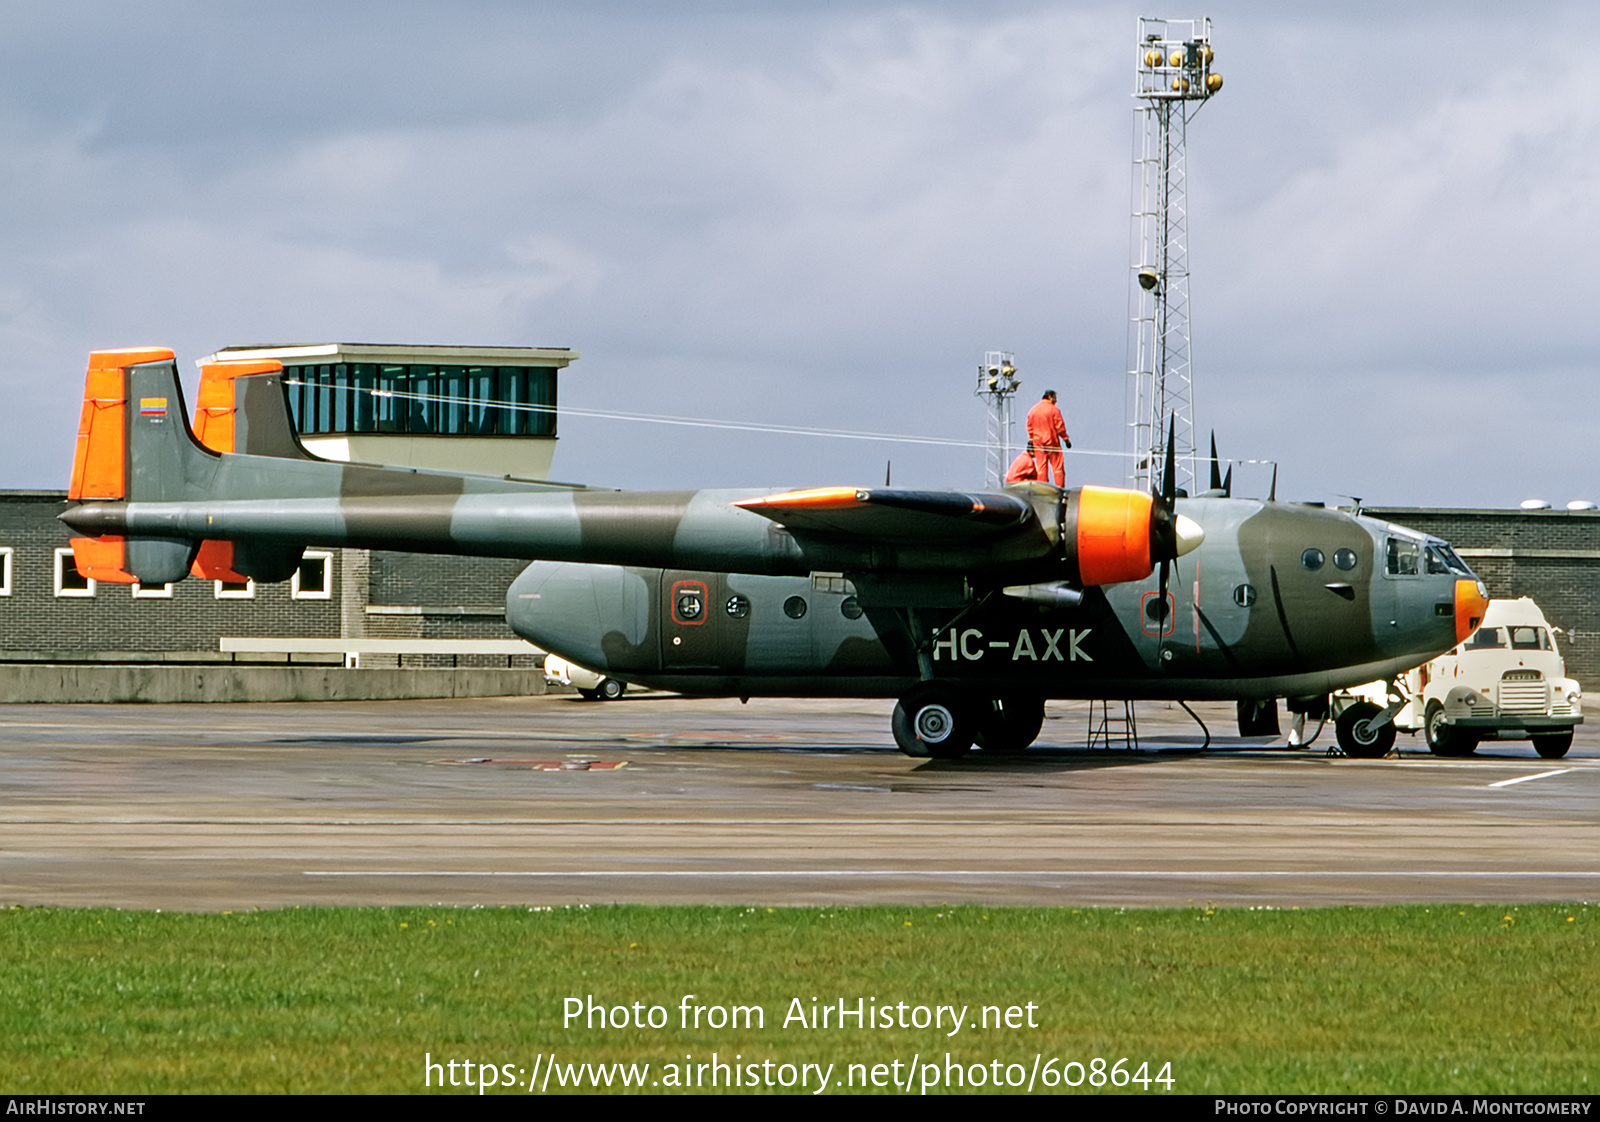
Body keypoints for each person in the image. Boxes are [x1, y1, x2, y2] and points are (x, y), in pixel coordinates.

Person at [1025, 389, 1070, 486]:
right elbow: (1059, 426)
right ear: (1050, 397)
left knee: (1041, 467)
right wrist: (1065, 439)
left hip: (1038, 441)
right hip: (1051, 440)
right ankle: (1060, 489)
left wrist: (1032, 439)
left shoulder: (1033, 410)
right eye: (1055, 398)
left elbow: (1029, 426)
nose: (1056, 401)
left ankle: (1042, 488)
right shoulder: (1053, 409)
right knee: (1057, 466)